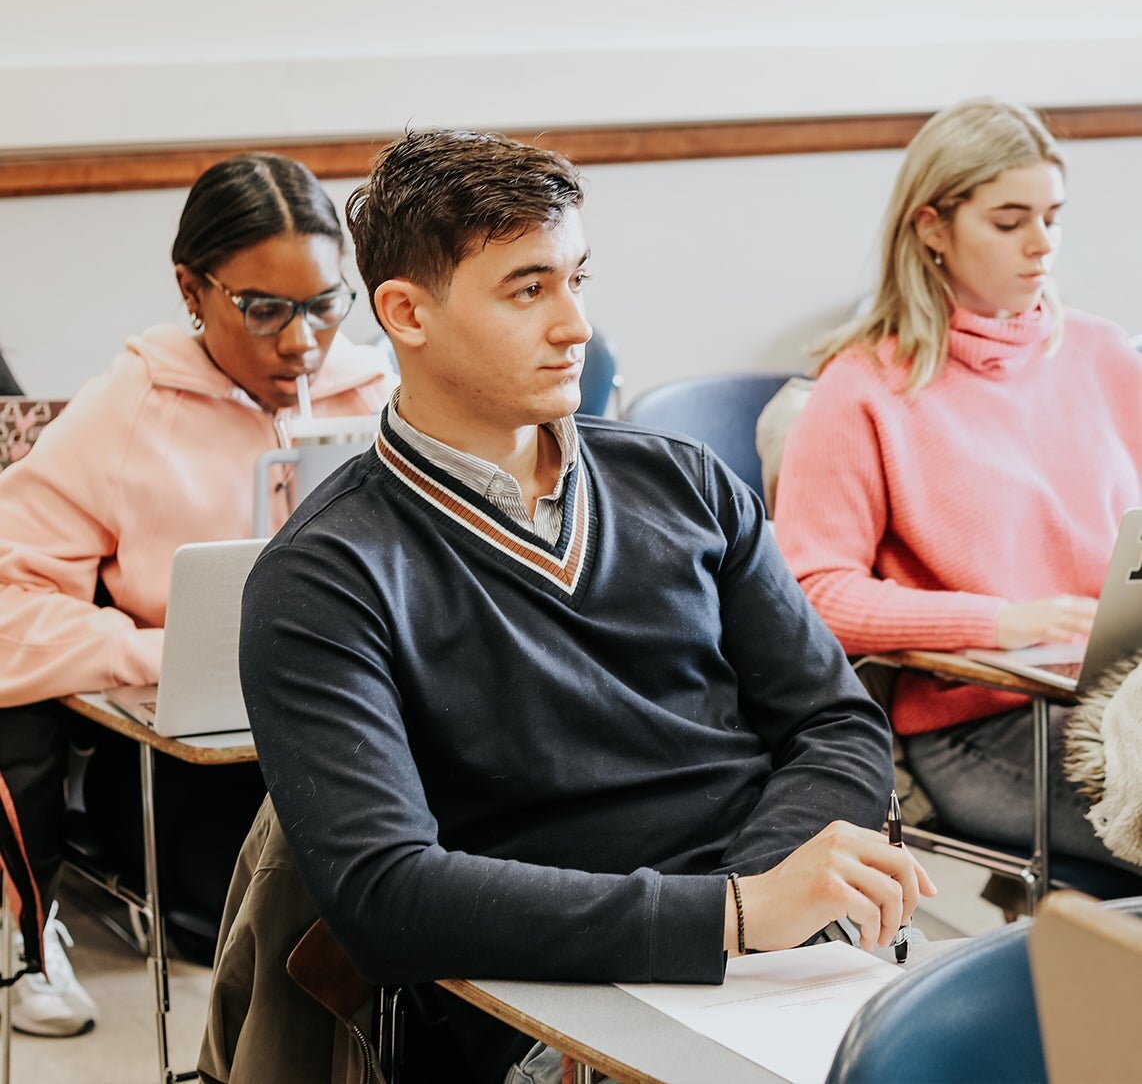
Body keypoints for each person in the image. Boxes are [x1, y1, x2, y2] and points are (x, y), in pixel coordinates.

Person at [237, 128, 933, 1084]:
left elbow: (835, 721)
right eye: (529, 289)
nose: (577, 327)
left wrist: (766, 906)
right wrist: (726, 917)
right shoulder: (323, 576)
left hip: (782, 962)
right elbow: (386, 895)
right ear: (406, 312)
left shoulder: (684, 479)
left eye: (578, 279)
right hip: (549, 1005)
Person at [0, 152, 394, 1037]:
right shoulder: (128, 411)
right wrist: (162, 654)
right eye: (263, 310)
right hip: (203, 774)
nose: (302, 342)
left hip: (376, 739)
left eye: (327, 304)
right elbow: (8, 597)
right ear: (192, 288)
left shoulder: (384, 390)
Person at [774, 97, 1142, 877]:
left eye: (1053, 217)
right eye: (1010, 222)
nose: (1042, 245)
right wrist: (1000, 620)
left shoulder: (1105, 353)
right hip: (986, 726)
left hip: (1122, 696)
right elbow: (812, 590)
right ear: (933, 226)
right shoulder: (862, 389)